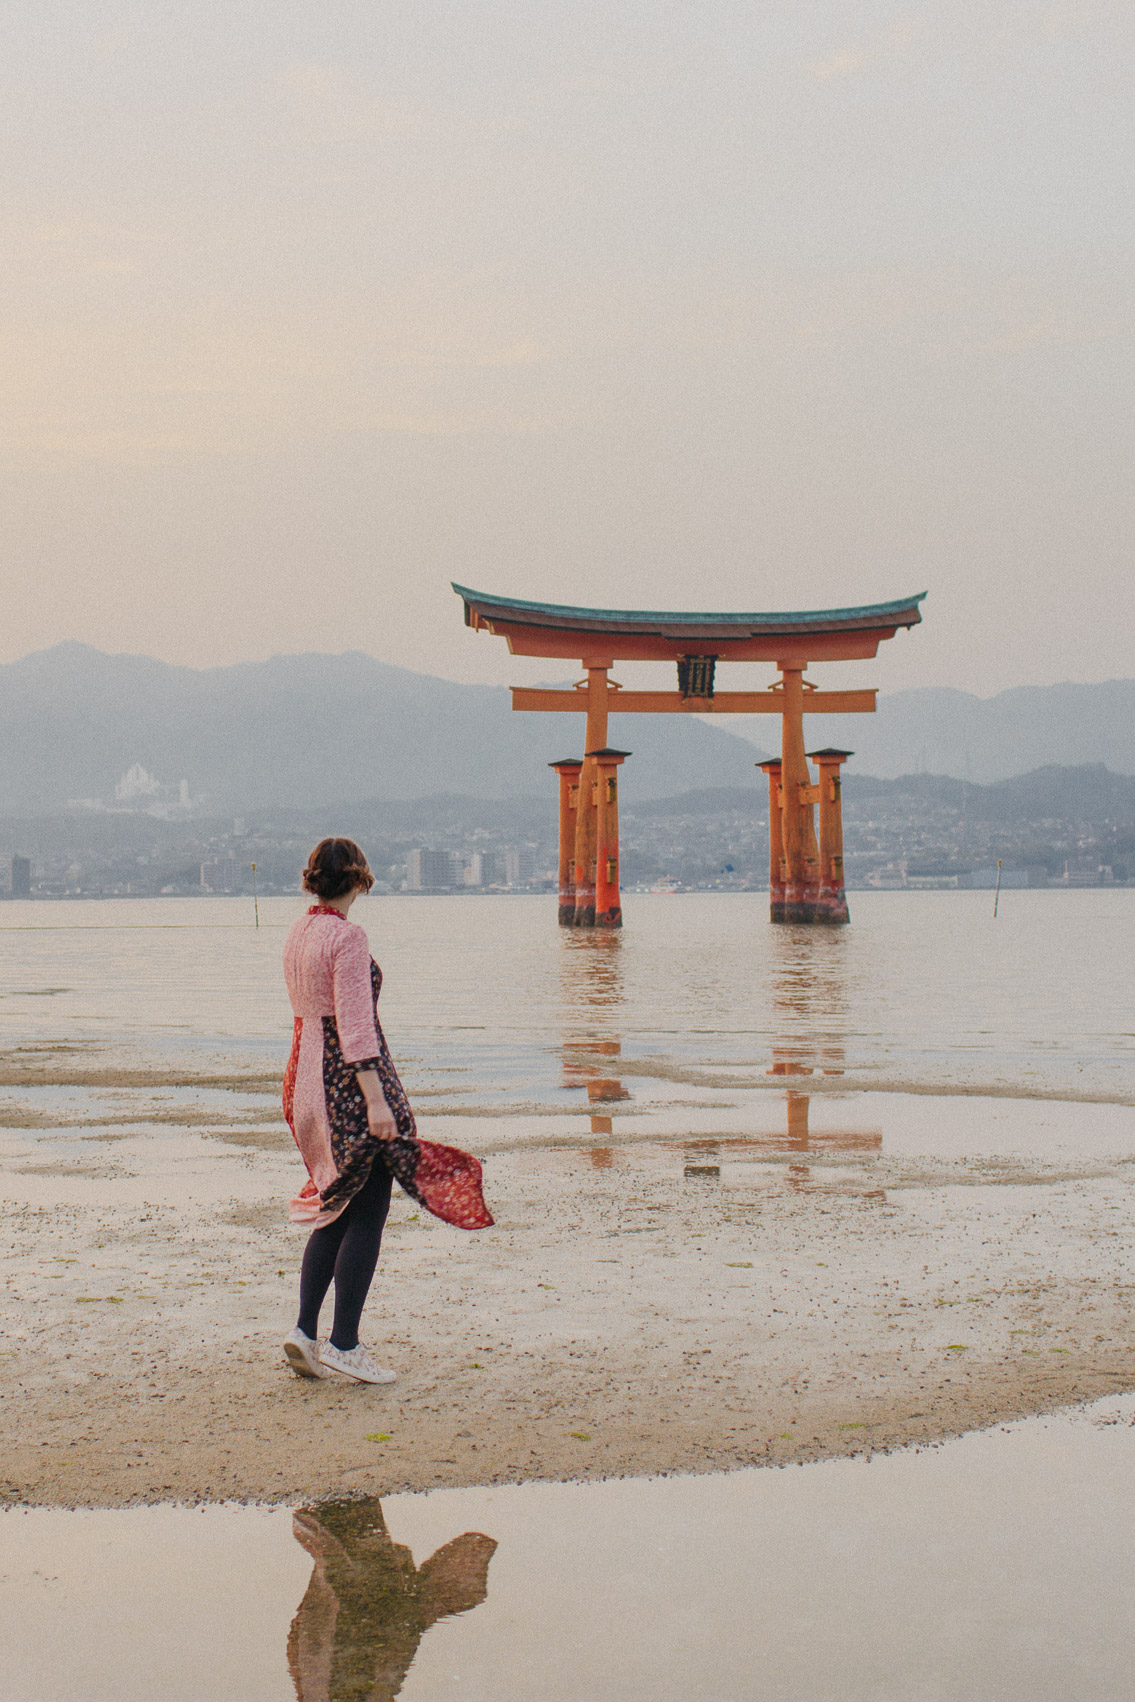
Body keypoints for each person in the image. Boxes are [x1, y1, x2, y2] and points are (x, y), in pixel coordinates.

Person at [281, 836, 492, 1386]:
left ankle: (305, 1332)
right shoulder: (348, 938)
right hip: (344, 1085)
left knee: (336, 1206)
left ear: (313, 881)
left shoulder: (301, 931)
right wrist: (377, 1101)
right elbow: (354, 1025)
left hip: (303, 1080)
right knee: (369, 1208)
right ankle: (344, 1344)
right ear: (360, 881)